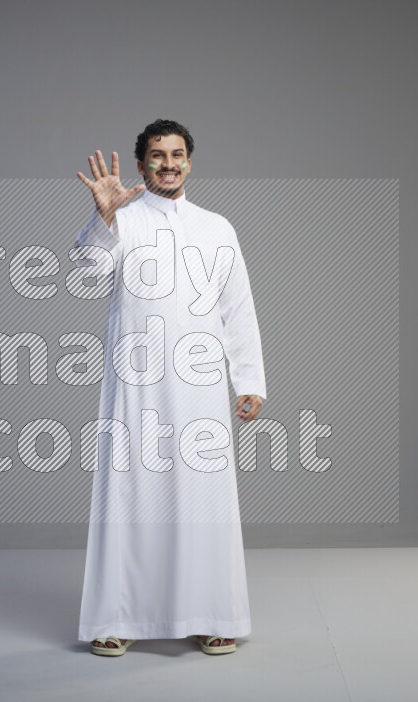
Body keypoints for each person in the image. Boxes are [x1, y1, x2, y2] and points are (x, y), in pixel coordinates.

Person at [73, 119, 266, 656]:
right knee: (128, 497)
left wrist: (247, 378)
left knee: (203, 500)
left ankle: (210, 614)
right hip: (135, 386)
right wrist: (102, 218)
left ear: (190, 161)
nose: (168, 163)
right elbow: (86, 279)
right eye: (157, 155)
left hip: (200, 387)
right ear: (140, 165)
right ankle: (116, 618)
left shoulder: (217, 227)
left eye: (177, 154)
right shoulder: (122, 222)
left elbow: (237, 308)